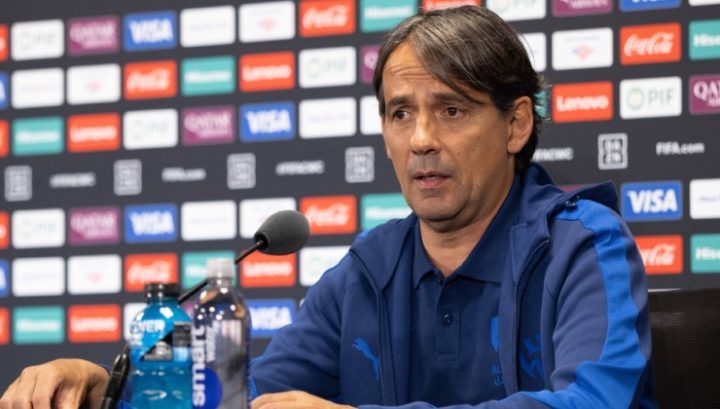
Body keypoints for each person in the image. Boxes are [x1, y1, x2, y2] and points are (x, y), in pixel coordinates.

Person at [1, 5, 655, 409]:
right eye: (401, 113)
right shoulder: (369, 269)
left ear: (516, 124)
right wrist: (105, 388)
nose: (421, 139)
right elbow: (246, 401)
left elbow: (596, 402)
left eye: (452, 110)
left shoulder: (582, 242)